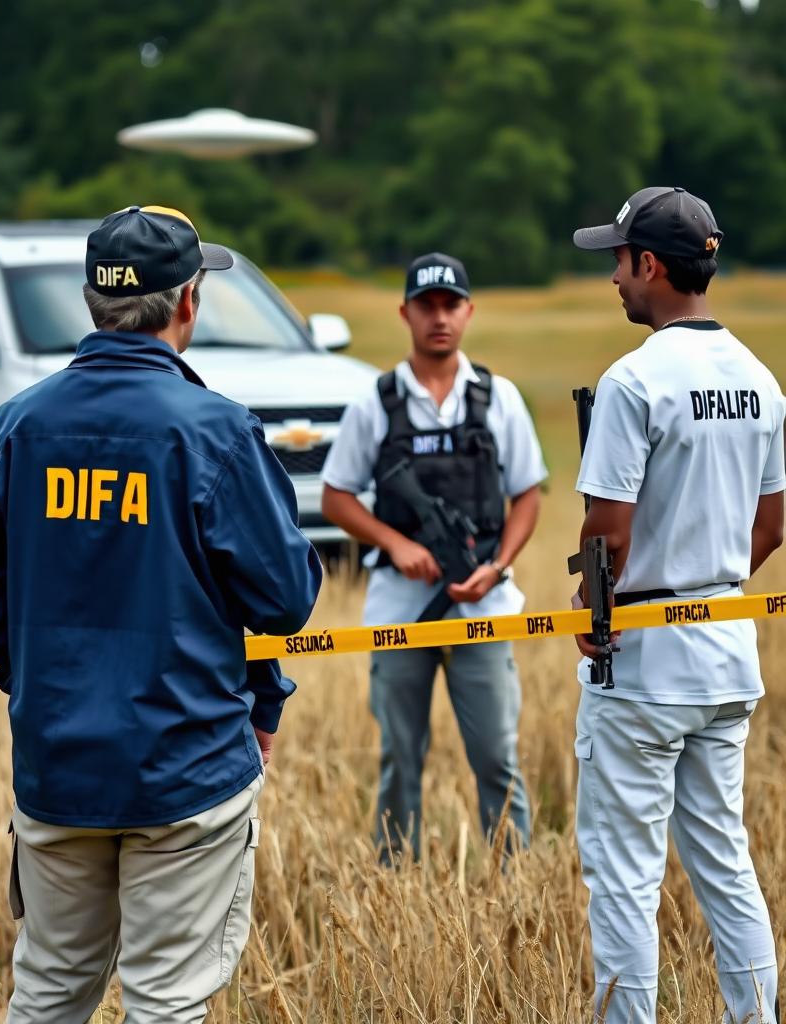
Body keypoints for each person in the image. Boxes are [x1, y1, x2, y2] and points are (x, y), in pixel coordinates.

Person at [0, 204, 322, 1024]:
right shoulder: (215, 429)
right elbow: (286, 599)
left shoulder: (15, 424)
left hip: (56, 769)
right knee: (167, 1004)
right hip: (185, 769)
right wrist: (256, 692)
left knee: (46, 993)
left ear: (92, 300)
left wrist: (46, 682)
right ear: (188, 303)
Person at [571, 186, 783, 1023]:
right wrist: (708, 576)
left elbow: (606, 534)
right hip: (728, 647)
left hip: (647, 665)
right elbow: (771, 524)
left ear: (650, 265)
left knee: (624, 873)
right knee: (725, 861)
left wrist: (596, 607)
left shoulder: (633, 381)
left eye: (619, 263)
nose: (614, 280)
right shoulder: (760, 379)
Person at [321, 253, 546, 861]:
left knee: (498, 756)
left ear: (469, 311)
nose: (439, 318)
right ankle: (395, 875)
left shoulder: (498, 397)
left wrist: (495, 567)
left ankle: (515, 879)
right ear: (405, 313)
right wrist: (396, 544)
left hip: (485, 603)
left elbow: (528, 494)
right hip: (399, 603)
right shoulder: (377, 401)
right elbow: (335, 496)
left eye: (451, 305)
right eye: (427, 306)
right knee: (400, 756)